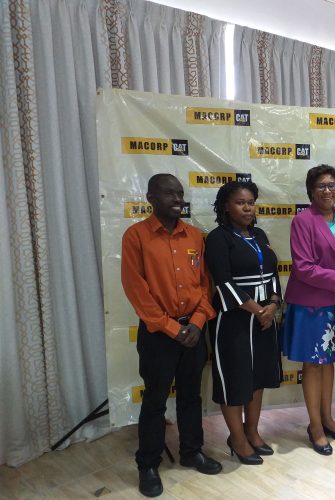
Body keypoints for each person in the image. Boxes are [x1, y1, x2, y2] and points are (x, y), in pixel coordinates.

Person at [121, 173, 221, 498]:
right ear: (151, 197)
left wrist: (197, 321)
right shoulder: (135, 236)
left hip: (193, 331)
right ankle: (148, 464)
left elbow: (205, 284)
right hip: (159, 335)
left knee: (191, 396)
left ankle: (192, 451)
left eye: (180, 193)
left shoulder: (195, 236)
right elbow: (137, 291)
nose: (177, 198)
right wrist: (172, 328)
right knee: (154, 401)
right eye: (169, 193)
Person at [282, 165, 335, 456]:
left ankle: (327, 418)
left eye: (332, 185)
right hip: (311, 303)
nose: (327, 190)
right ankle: (314, 426)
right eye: (321, 186)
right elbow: (303, 268)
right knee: (313, 364)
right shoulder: (302, 221)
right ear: (311, 191)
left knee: (328, 362)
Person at [205, 181, 282, 466]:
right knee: (235, 379)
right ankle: (236, 438)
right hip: (234, 320)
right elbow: (223, 282)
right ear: (226, 206)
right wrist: (257, 310)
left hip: (264, 318)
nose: (248, 207)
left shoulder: (259, 234)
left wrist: (273, 305)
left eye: (251, 201)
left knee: (258, 377)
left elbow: (273, 272)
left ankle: (252, 431)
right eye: (240, 202)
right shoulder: (217, 238)